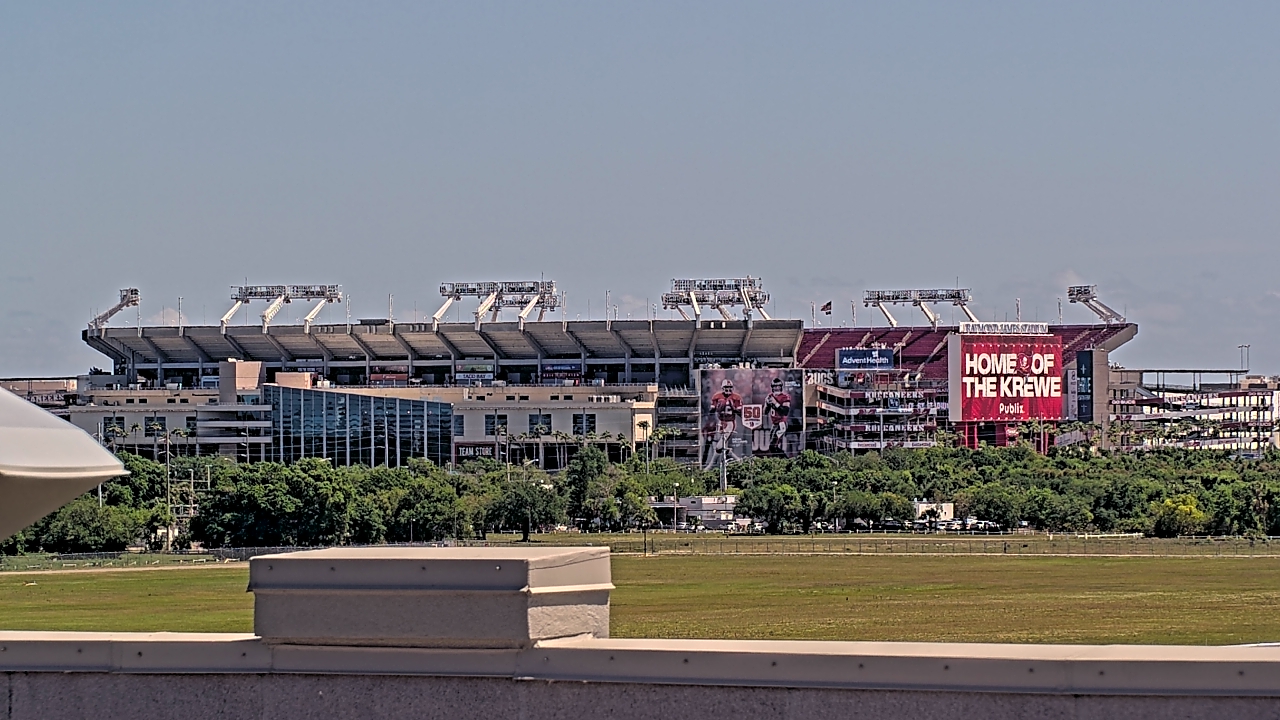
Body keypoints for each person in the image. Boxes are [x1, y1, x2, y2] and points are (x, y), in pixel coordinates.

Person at [704, 378, 743, 468]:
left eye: (730, 388)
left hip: (730, 423)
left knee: (719, 446)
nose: (728, 390)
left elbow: (741, 414)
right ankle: (737, 459)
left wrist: (734, 409)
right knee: (720, 446)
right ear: (722, 388)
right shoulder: (717, 396)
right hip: (720, 423)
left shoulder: (736, 397)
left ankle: (710, 465)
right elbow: (711, 411)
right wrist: (716, 408)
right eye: (726, 388)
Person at [763, 376, 792, 454]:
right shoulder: (769, 397)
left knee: (773, 446)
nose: (776, 388)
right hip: (774, 424)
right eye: (775, 386)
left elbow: (785, 412)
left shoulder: (785, 397)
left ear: (781, 387)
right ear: (772, 387)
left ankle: (784, 460)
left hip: (781, 424)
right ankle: (781, 460)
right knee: (772, 447)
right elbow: (765, 412)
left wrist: (775, 403)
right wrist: (767, 404)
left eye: (778, 386)